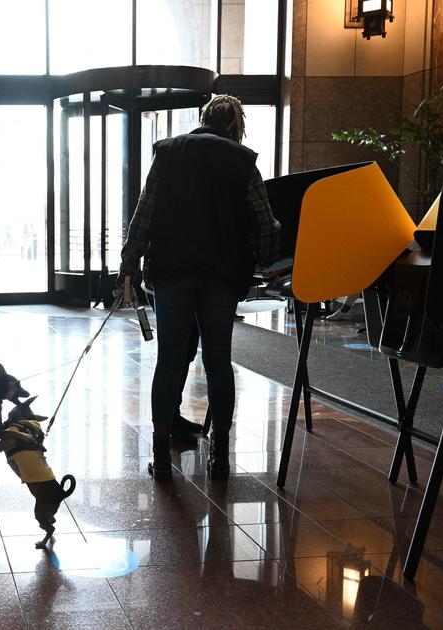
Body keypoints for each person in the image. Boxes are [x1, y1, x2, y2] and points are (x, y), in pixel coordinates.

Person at [118, 95, 281, 481]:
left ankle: (160, 454)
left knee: (170, 361)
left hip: (171, 273)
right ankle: (220, 452)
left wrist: (129, 262)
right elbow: (264, 222)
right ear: (234, 126)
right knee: (218, 361)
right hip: (221, 277)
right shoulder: (243, 162)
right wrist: (264, 263)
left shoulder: (169, 153)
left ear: (203, 118)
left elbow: (145, 213)